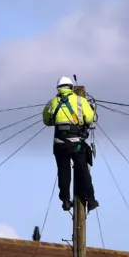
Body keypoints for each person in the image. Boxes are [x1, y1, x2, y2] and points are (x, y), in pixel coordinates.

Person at [42, 76, 99, 212]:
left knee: (63, 172)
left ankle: (66, 201)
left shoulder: (52, 103)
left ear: (58, 88)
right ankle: (91, 201)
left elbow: (47, 120)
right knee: (83, 171)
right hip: (77, 143)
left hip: (59, 144)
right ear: (71, 87)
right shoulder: (80, 100)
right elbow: (90, 119)